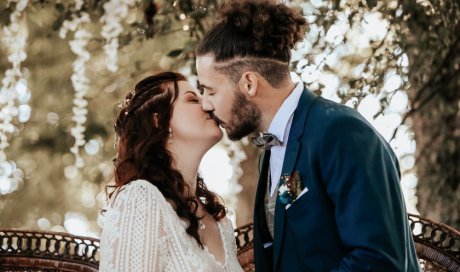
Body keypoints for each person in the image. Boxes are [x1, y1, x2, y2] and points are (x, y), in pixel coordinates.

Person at [195, 1, 421, 271]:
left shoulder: (342, 133)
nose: (206, 104)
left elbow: (379, 261)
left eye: (210, 91)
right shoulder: (270, 152)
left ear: (249, 83)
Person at [99, 72, 243, 272]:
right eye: (193, 99)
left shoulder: (222, 225)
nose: (209, 106)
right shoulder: (140, 199)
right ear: (158, 121)